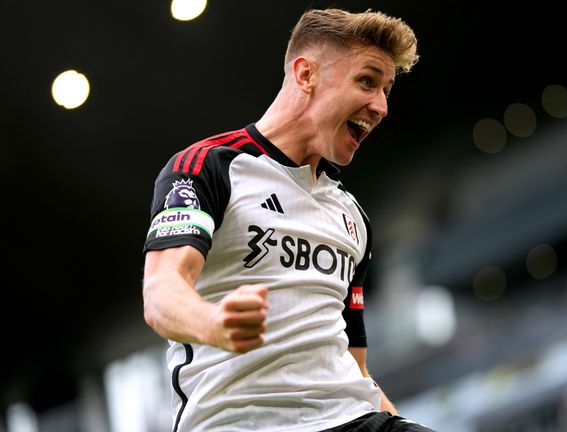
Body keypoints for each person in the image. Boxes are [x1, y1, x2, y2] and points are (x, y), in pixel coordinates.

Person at [142, 7, 434, 432]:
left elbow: (355, 368)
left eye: (387, 90)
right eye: (368, 81)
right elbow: (161, 292)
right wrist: (214, 323)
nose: (382, 106)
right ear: (305, 75)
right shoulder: (208, 167)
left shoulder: (352, 217)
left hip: (349, 419)